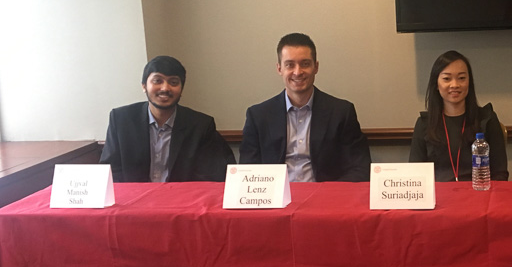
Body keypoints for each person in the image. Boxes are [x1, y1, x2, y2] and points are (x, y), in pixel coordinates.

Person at [239, 33, 371, 182]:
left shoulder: (342, 112)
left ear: (316, 67)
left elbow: (359, 168)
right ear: (279, 69)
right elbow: (247, 171)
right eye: (290, 65)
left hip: (324, 199)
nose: (297, 72)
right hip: (276, 200)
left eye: (305, 64)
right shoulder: (258, 116)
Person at [100, 56, 235, 182]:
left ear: (181, 89)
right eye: (157, 81)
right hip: (134, 202)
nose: (165, 88)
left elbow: (209, 176)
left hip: (183, 202)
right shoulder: (121, 120)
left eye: (174, 82)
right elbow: (110, 172)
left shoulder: (201, 125)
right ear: (144, 86)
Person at [409, 50, 509, 182]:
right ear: (436, 85)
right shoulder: (424, 124)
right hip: (439, 198)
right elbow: (415, 176)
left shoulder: (487, 119)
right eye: (447, 79)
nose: (455, 85)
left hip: (479, 196)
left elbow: (500, 173)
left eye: (461, 78)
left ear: (469, 82)